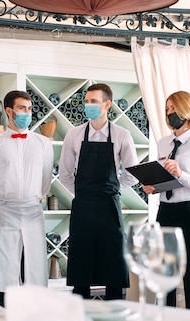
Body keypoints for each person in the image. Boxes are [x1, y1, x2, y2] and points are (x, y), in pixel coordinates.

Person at [58, 83, 139, 300]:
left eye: (93, 101)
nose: (88, 105)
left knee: (113, 263)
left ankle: (116, 313)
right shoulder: (73, 135)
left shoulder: (123, 135)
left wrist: (111, 188)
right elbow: (64, 173)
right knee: (81, 264)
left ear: (107, 104)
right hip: (83, 206)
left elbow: (132, 174)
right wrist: (84, 193)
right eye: (86, 101)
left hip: (109, 206)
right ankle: (79, 316)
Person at [0, 90, 54, 306]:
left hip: (32, 210)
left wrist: (32, 197)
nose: (27, 113)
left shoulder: (43, 143)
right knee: (2, 271)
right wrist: (2, 200)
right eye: (22, 108)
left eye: (30, 109)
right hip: (3, 211)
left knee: (33, 268)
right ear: (9, 111)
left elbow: (46, 179)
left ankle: (32, 318)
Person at [142, 90, 190, 311]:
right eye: (167, 109)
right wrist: (152, 186)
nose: (169, 113)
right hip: (164, 212)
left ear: (186, 110)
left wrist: (182, 174)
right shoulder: (163, 143)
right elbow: (164, 179)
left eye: (173, 108)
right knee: (164, 275)